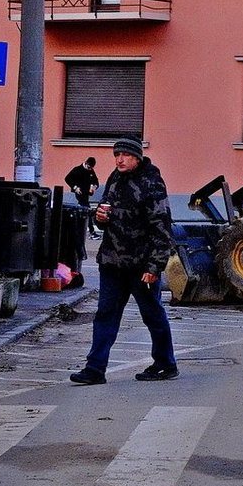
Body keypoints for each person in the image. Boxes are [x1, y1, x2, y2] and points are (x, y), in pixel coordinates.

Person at [71, 138, 177, 384]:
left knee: (152, 315)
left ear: (137, 157)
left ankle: (165, 363)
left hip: (140, 265)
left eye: (125, 155)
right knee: (105, 315)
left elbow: (162, 228)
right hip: (112, 262)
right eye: (116, 154)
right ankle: (95, 369)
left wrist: (154, 267)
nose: (119, 159)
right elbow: (103, 214)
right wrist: (99, 217)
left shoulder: (151, 182)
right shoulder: (115, 178)